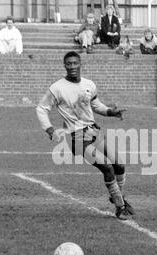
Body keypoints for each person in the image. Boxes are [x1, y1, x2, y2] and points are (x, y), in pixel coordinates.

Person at [36, 51, 135, 220]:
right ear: (64, 66)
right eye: (69, 64)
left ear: (80, 64)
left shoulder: (89, 84)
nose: (72, 67)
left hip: (94, 132)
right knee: (107, 167)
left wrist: (111, 112)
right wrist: (50, 129)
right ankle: (120, 207)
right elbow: (41, 109)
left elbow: (96, 105)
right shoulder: (57, 88)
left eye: (75, 63)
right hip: (78, 138)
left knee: (119, 165)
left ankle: (118, 196)